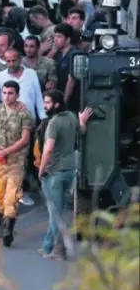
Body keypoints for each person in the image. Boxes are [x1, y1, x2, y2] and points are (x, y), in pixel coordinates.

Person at [38, 90, 93, 260]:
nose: (44, 106)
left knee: (55, 213)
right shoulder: (70, 116)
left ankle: (59, 251)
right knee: (55, 211)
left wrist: (41, 168)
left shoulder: (53, 123)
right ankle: (47, 246)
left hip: (54, 172)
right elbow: (82, 131)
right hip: (70, 170)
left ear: (56, 104)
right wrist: (82, 121)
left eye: (47, 102)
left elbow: (48, 148)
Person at [0, 48, 46, 205]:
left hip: (30, 123)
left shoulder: (31, 74)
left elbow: (37, 97)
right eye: (7, 61)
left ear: (20, 59)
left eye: (14, 60)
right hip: (9, 127)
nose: (11, 64)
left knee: (32, 157)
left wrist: (43, 118)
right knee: (15, 159)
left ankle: (31, 188)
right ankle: (18, 192)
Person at [0, 81, 33, 246]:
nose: (7, 96)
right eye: (4, 93)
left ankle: (8, 231)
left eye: (10, 93)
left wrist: (6, 151)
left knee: (10, 197)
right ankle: (2, 226)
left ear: (17, 95)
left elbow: (25, 138)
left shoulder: (24, 114)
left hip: (16, 161)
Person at [50, 23, 79, 113]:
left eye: (59, 37)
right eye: (55, 36)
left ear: (67, 39)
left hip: (72, 100)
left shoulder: (74, 54)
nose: (55, 39)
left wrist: (64, 102)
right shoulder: (59, 54)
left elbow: (71, 81)